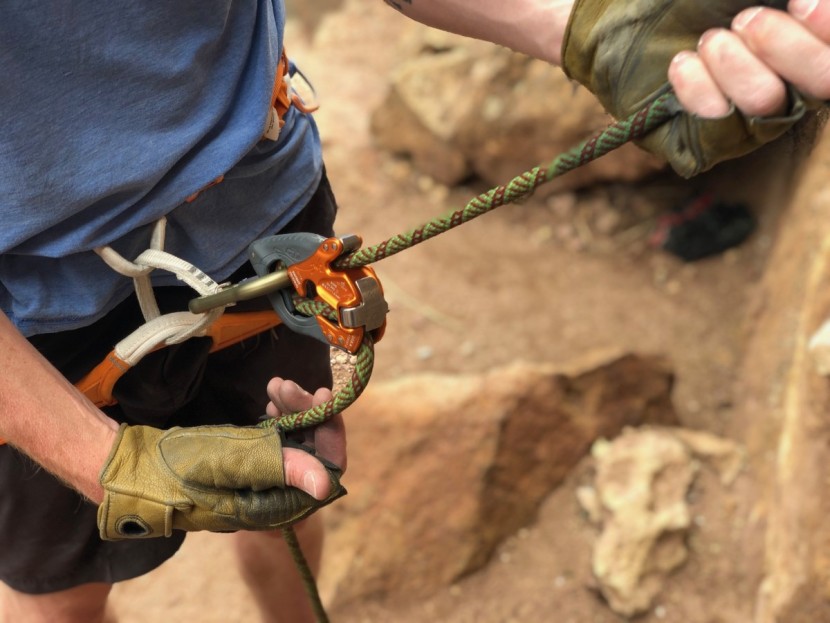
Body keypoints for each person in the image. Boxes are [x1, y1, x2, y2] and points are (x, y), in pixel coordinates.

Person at [0, 2, 827, 623]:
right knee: (65, 589)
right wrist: (107, 465)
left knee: (293, 485)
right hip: (39, 314)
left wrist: (588, 24)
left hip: (262, 227)